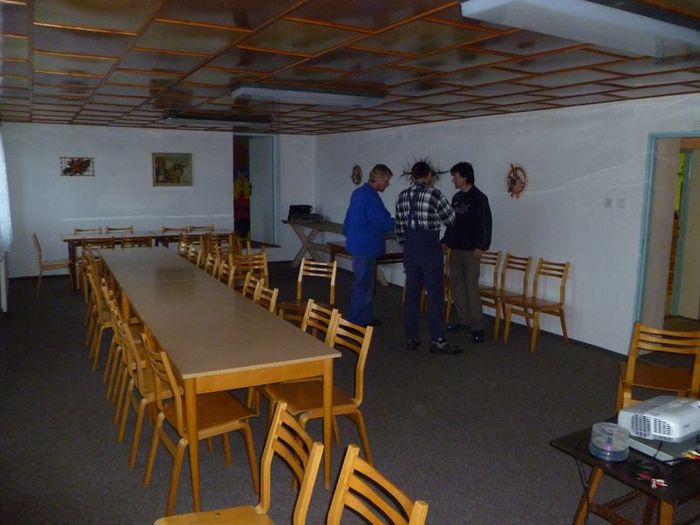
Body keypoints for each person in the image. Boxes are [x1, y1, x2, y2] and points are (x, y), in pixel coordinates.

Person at [395, 161, 462, 355]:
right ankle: (438, 340)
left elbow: (399, 228)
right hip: (429, 248)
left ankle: (411, 337)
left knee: (412, 295)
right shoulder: (435, 194)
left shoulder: (402, 196)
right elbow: (451, 219)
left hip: (410, 248)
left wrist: (407, 244)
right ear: (429, 175)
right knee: (434, 296)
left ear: (412, 176)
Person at [442, 162, 493, 344]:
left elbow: (486, 224)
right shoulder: (456, 198)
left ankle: (477, 326)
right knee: (457, 287)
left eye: (455, 176)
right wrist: (445, 241)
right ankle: (463, 321)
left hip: (471, 251)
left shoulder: (479, 198)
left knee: (471, 288)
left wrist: (482, 246)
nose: (453, 180)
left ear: (465, 177)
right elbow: (451, 223)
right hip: (456, 249)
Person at [343, 164, 396, 327]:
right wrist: (403, 222)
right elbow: (384, 222)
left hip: (358, 244)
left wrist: (351, 236)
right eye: (386, 180)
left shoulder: (358, 193)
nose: (388, 184)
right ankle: (356, 321)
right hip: (365, 247)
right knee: (364, 285)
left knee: (365, 284)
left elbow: (347, 221)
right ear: (379, 178)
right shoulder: (371, 197)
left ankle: (364, 317)